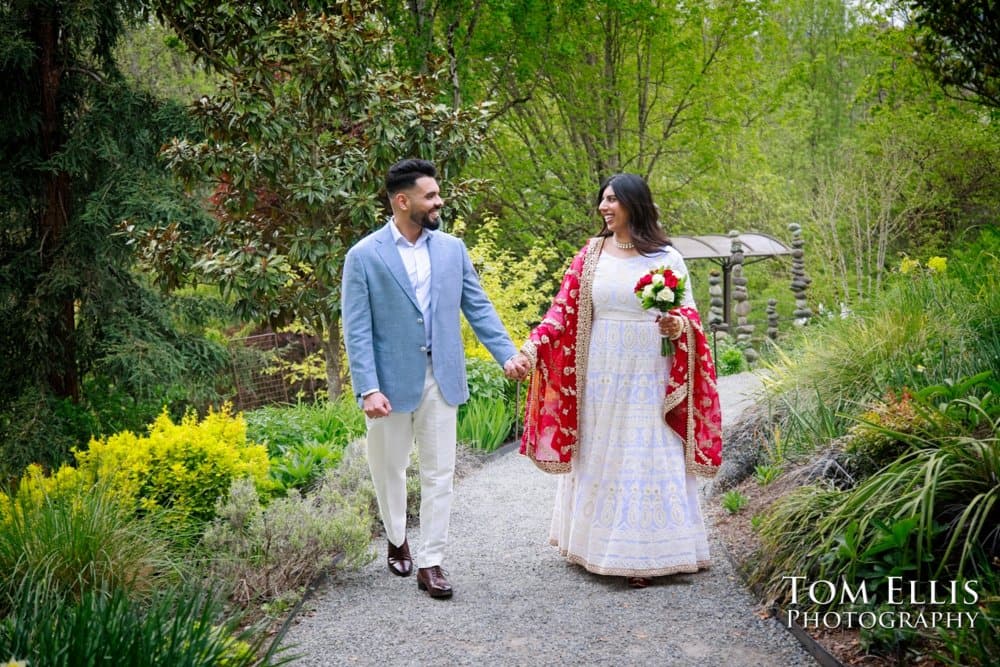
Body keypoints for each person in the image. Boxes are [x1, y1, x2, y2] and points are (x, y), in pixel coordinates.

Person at [510, 173, 722, 588]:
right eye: (602, 200)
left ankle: (650, 553)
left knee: (647, 448)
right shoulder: (590, 255)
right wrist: (529, 351)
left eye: (613, 201)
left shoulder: (666, 257)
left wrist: (677, 326)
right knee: (605, 451)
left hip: (650, 370)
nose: (605, 208)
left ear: (634, 204)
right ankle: (597, 546)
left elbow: (691, 317)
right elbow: (560, 313)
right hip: (602, 372)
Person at [342, 158, 529, 600]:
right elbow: (357, 328)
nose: (439, 201)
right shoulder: (364, 256)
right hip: (388, 385)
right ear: (402, 201)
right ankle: (395, 536)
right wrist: (368, 387)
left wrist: (506, 353)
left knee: (439, 473)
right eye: (430, 195)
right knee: (388, 469)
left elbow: (477, 306)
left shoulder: (451, 249)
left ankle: (431, 561)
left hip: (441, 378)